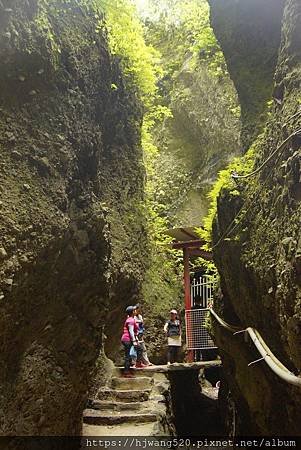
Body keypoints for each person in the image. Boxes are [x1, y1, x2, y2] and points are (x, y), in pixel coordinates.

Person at [121, 306, 144, 377]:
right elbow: (131, 330)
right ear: (132, 312)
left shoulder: (131, 319)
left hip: (127, 339)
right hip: (127, 339)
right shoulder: (130, 320)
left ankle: (138, 363)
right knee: (128, 355)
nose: (135, 311)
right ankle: (126, 372)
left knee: (139, 349)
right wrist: (134, 340)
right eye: (134, 310)